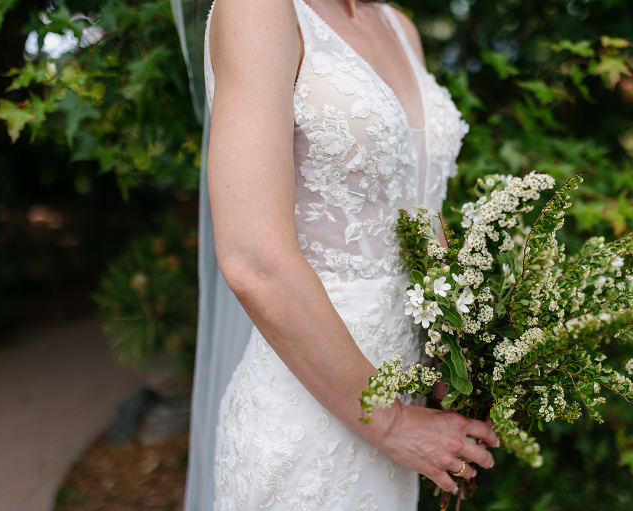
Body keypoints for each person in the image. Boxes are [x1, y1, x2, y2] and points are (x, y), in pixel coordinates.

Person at [199, 0, 499, 508]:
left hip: (410, 411)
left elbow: (420, 207)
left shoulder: (399, 26)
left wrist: (457, 354)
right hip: (313, 417)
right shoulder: (259, 11)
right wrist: (393, 421)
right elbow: (253, 258)